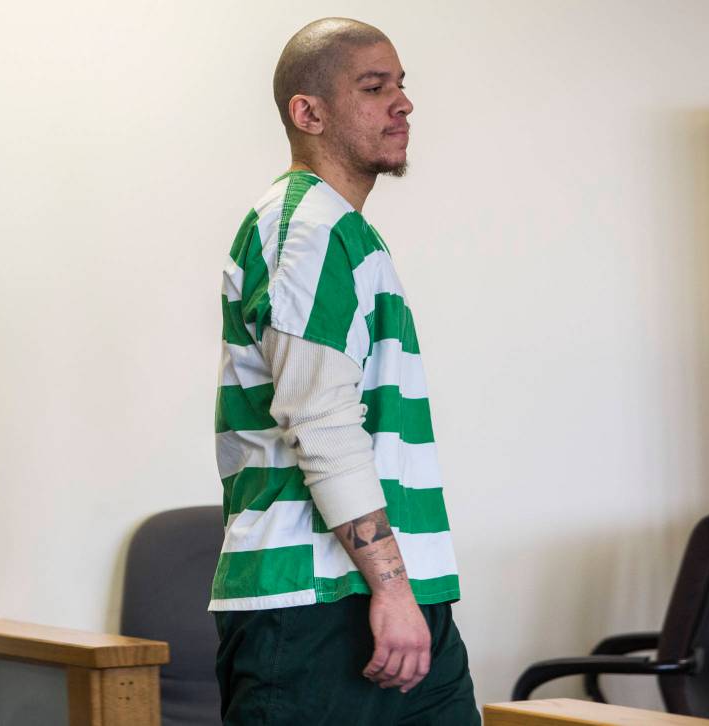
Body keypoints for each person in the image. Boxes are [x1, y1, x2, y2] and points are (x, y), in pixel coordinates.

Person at [210, 17, 479, 726]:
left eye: (401, 85)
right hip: (321, 603)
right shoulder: (307, 230)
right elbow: (320, 418)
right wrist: (390, 588)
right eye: (373, 86)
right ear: (309, 112)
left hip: (383, 594)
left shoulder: (342, 231)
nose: (403, 103)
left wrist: (401, 589)